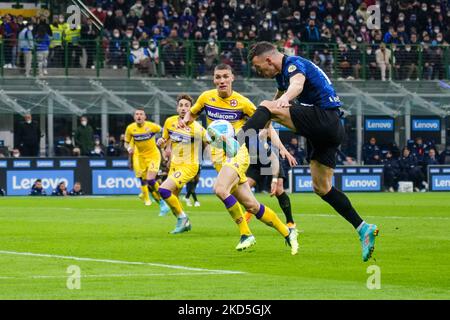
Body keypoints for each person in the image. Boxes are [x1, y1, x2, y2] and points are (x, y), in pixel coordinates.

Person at [236, 41, 378, 262]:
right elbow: (275, 101)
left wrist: (282, 101)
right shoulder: (280, 74)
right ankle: (363, 228)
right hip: (328, 132)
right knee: (321, 187)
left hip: (325, 118)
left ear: (269, 60)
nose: (258, 71)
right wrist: (268, 117)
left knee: (265, 105)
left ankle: (236, 141)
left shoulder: (293, 64)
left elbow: (297, 85)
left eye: (258, 67)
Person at [179, 64, 298, 254]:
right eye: (218, 77)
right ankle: (287, 233)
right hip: (218, 157)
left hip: (238, 152)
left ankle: (246, 234)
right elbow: (192, 114)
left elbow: (267, 125)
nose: (221, 81)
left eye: (225, 76)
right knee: (251, 205)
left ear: (232, 78)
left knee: (219, 189)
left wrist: (281, 148)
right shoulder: (206, 98)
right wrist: (184, 121)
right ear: (214, 80)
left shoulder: (242, 103)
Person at [156, 94, 208, 233]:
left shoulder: (197, 128)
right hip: (174, 165)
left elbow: (210, 142)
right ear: (177, 108)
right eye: (181, 105)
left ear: (191, 109)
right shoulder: (170, 122)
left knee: (163, 190)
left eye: (187, 106)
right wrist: (160, 142)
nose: (184, 108)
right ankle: (183, 224)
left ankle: (183, 218)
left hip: (189, 166)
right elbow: (164, 141)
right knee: (173, 197)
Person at [244, 127, 298, 229]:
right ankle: (250, 210)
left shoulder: (264, 128)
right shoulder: (242, 129)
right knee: (245, 188)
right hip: (255, 164)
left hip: (271, 162)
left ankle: (290, 222)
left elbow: (274, 156)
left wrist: (283, 150)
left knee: (278, 189)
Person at [124, 109, 170, 215]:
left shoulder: (152, 126)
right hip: (141, 158)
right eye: (137, 114)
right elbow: (126, 143)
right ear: (134, 117)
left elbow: (165, 132)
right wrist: (128, 148)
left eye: (141, 114)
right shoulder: (130, 129)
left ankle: (164, 197)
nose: (139, 116)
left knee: (150, 179)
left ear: (145, 117)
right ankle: (162, 205)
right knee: (148, 184)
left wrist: (164, 143)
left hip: (153, 156)